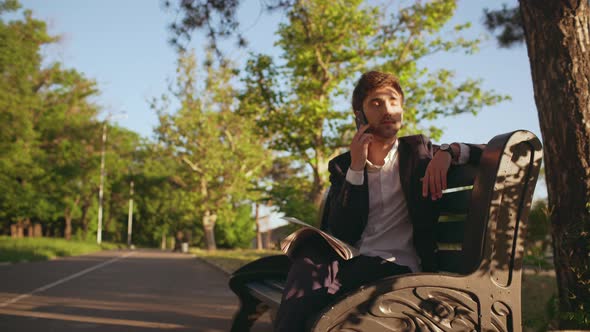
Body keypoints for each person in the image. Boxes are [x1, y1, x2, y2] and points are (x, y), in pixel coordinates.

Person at [273, 71, 484, 331]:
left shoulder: (418, 153)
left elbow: (488, 151)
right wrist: (357, 168)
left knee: (308, 291)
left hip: (399, 268)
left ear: (402, 109)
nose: (387, 109)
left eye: (393, 101)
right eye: (376, 103)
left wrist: (448, 152)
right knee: (308, 262)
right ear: (359, 115)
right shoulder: (343, 166)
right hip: (352, 264)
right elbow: (341, 231)